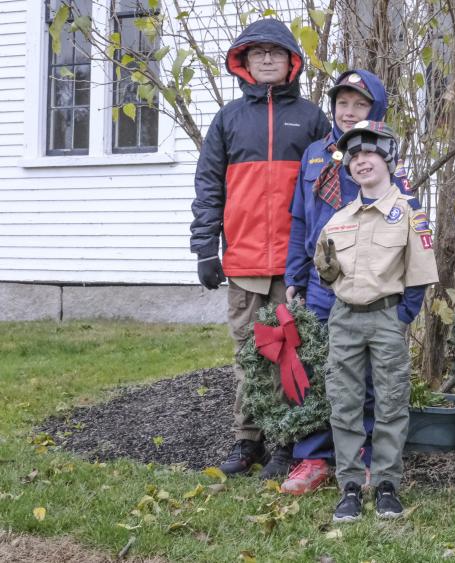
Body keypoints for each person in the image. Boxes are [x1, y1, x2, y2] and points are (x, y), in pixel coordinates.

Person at [189, 19, 331, 479]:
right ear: (244, 63)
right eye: (257, 52)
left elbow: (329, 190)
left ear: (292, 61)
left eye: (275, 52)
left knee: (295, 354)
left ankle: (287, 443)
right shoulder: (229, 120)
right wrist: (205, 247)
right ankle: (248, 440)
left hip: (296, 266)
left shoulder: (311, 119)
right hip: (246, 262)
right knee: (250, 357)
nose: (267, 58)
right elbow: (209, 185)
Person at [280, 70, 411, 496]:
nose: (349, 111)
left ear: (375, 111)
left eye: (360, 104)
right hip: (323, 286)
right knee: (321, 373)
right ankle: (314, 457)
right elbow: (300, 217)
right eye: (342, 103)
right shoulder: (315, 155)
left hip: (371, 287)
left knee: (371, 377)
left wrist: (406, 301)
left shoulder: (386, 159)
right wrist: (295, 276)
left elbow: (408, 229)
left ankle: (366, 459)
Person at [313, 121, 438, 522]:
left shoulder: (407, 212)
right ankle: (349, 485)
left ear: (388, 158)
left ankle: (386, 483)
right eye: (354, 157)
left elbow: (419, 271)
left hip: (386, 316)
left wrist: (404, 314)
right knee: (344, 403)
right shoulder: (339, 218)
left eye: (369, 153)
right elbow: (327, 272)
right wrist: (325, 268)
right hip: (344, 318)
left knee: (390, 401)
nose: (361, 161)